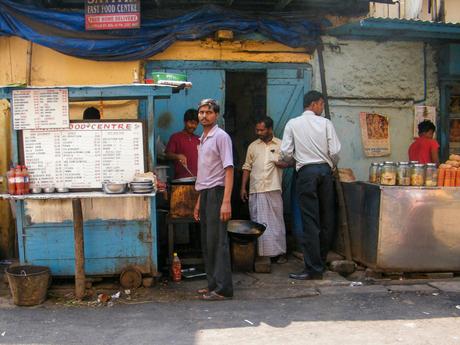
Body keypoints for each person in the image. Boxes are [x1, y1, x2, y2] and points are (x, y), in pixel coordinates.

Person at [279, 90, 341, 280]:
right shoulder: (326, 124)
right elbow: (336, 151)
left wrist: (296, 158)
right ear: (313, 104)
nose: (322, 108)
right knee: (326, 219)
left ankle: (313, 269)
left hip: (306, 174)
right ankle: (320, 264)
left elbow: (285, 153)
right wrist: (330, 165)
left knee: (310, 221)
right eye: (321, 104)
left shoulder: (293, 124)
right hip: (325, 172)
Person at [193, 98, 234, 301]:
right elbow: (205, 173)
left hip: (218, 193)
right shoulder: (203, 138)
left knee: (218, 242)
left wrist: (226, 201)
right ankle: (212, 285)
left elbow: (229, 169)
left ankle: (223, 289)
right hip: (206, 193)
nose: (204, 116)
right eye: (201, 112)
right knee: (208, 242)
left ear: (216, 115)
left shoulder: (221, 136)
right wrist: (199, 200)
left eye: (208, 112)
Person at [240, 116, 287, 264]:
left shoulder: (281, 145)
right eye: (257, 130)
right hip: (256, 189)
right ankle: (261, 254)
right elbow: (246, 167)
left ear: (270, 129)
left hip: (273, 188)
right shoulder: (253, 146)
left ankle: (279, 253)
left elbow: (292, 161)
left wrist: (283, 164)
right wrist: (243, 187)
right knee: (258, 222)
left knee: (276, 222)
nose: (259, 132)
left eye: (262, 130)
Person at [165, 109, 200, 179]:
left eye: (196, 124)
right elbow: (167, 155)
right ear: (185, 122)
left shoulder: (199, 139)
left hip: (198, 180)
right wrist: (177, 156)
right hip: (181, 180)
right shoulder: (175, 137)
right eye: (191, 123)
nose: (193, 126)